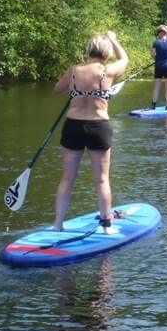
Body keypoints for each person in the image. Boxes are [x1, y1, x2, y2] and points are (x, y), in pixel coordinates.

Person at [52, 31, 128, 234]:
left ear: (89, 50)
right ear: (106, 53)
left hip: (73, 125)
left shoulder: (74, 70)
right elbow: (125, 59)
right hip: (98, 127)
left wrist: (77, 89)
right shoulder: (108, 72)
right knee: (102, 179)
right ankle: (106, 226)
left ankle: (58, 224)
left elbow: (57, 89)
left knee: (67, 178)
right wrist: (113, 38)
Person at [150, 24, 167, 110]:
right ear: (166, 33)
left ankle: (153, 105)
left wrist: (156, 58)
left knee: (156, 86)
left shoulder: (156, 42)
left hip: (158, 66)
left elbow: (153, 54)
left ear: (160, 33)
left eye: (158, 32)